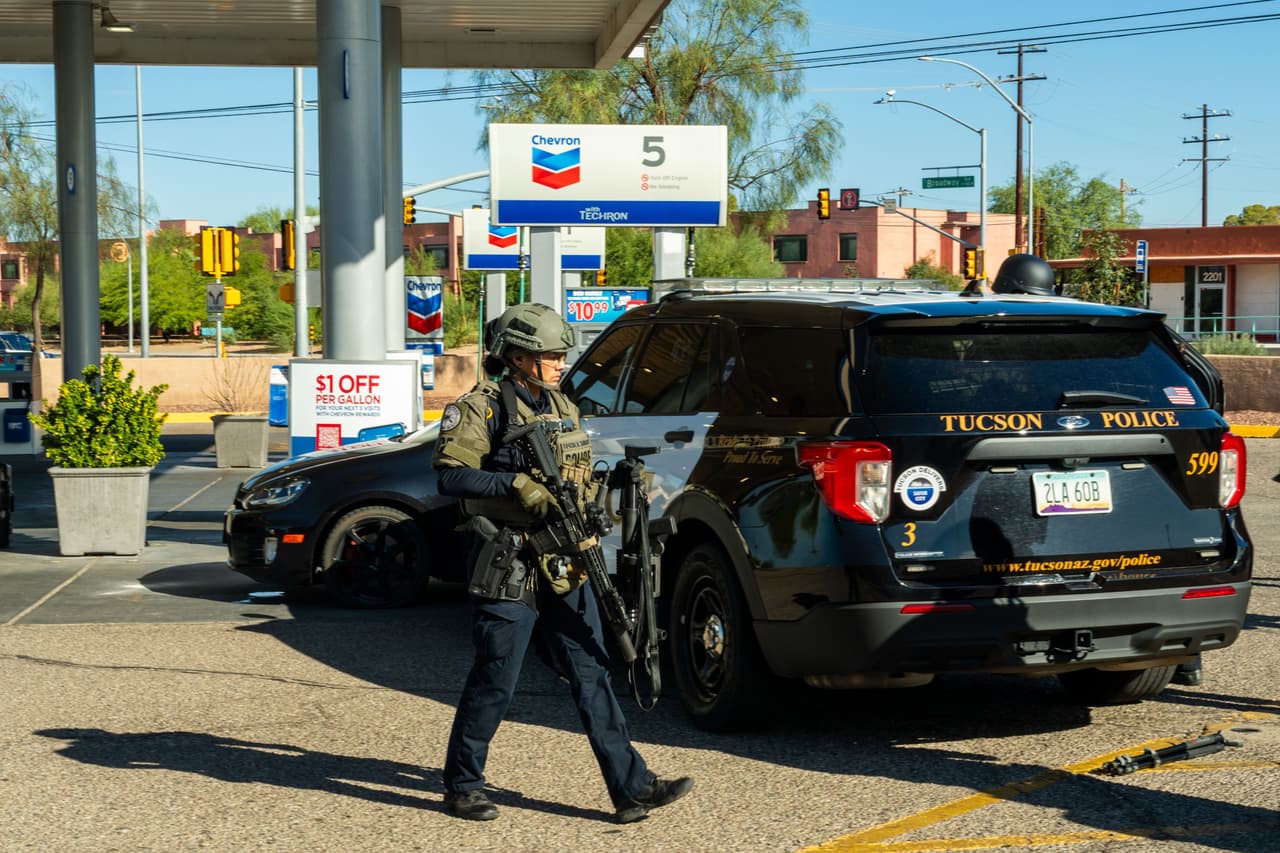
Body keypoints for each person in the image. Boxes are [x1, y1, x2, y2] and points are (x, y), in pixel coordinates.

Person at [433, 302, 693, 824]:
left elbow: (578, 474)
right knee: (496, 677)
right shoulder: (483, 407)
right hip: (509, 560)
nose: (559, 362)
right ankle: (463, 785)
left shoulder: (561, 405)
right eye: (551, 354)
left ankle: (632, 787)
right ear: (520, 358)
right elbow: (451, 476)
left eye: (559, 354)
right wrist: (514, 484)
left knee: (591, 670)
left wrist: (603, 499)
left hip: (566, 559)